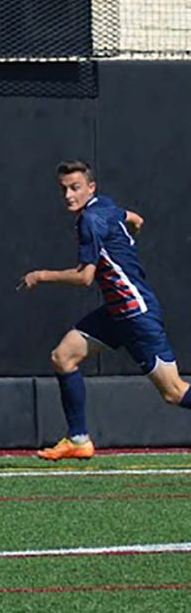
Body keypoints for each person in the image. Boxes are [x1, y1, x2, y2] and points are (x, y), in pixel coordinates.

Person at [20, 160, 191, 460]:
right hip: (116, 312)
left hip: (136, 313)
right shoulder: (106, 207)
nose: (69, 196)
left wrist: (41, 275)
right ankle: (78, 440)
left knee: (174, 392)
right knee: (63, 357)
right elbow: (136, 220)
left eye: (75, 188)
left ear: (91, 188)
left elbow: (85, 277)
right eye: (64, 189)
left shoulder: (91, 221)